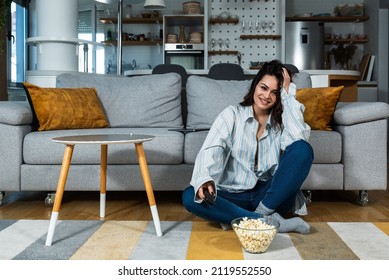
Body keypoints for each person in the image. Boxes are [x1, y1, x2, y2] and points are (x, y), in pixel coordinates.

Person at [182, 60, 314, 234]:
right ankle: (267, 222)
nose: (267, 96)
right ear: (255, 85)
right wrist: (205, 178)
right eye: (264, 88)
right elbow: (212, 149)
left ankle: (249, 217)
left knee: (303, 149)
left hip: (269, 197)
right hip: (233, 194)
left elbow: (299, 139)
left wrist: (288, 94)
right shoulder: (232, 114)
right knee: (189, 196)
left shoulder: (281, 122)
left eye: (275, 92)